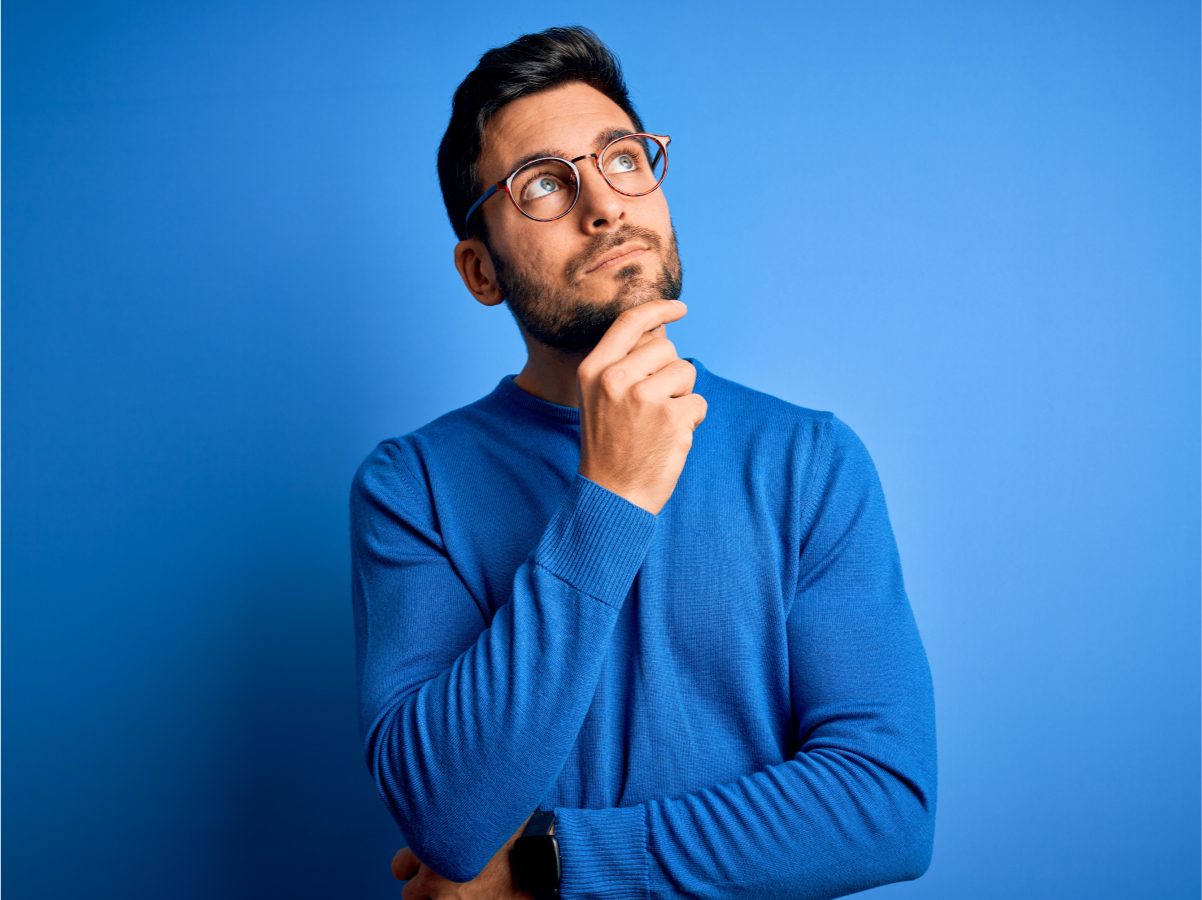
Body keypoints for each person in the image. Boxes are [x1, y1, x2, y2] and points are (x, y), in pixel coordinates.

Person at [350, 26, 936, 900]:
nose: (605, 205)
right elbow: (449, 818)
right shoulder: (411, 488)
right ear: (481, 270)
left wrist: (550, 865)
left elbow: (884, 807)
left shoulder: (808, 462)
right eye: (544, 183)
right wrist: (612, 495)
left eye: (622, 158)